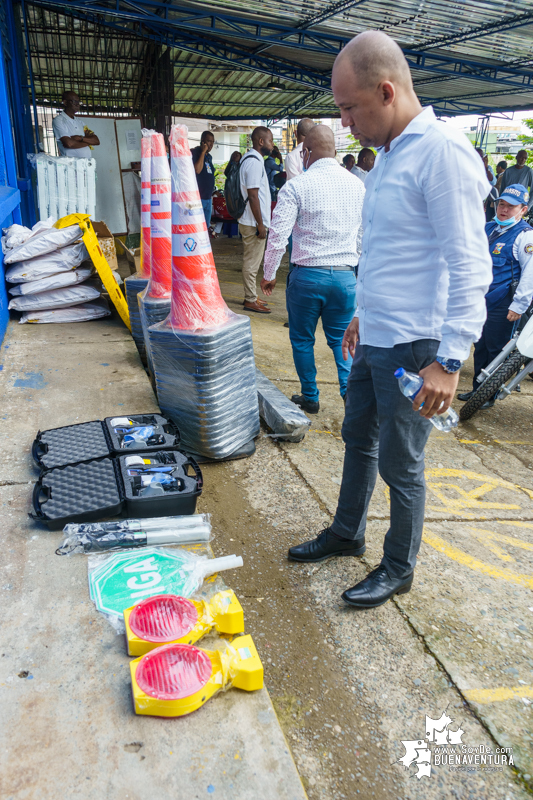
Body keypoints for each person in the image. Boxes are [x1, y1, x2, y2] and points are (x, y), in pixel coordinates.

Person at [287, 31, 492, 609]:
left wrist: (450, 361)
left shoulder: (443, 154)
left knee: (403, 463)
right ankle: (347, 533)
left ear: (385, 90)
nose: (344, 121)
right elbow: (387, 251)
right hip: (377, 333)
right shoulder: (393, 155)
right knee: (358, 438)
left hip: (417, 347)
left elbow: (469, 264)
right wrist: (360, 314)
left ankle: (398, 565)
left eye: (350, 107)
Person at [261, 125, 365, 413]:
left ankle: (311, 397)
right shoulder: (357, 185)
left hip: (307, 278)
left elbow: (278, 235)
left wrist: (269, 274)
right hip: (345, 277)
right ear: (335, 151)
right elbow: (362, 236)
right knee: (343, 340)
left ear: (306, 152)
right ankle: (350, 396)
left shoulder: (296, 186)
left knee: (303, 339)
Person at [458, 184, 533, 408]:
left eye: (511, 206)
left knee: (496, 347)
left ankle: (487, 395)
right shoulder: (489, 228)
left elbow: (530, 272)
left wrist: (519, 305)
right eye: (502, 204)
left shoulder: (525, 236)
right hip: (481, 300)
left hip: (504, 303)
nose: (504, 209)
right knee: (479, 345)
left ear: (523, 210)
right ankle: (476, 389)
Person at [238, 126, 274, 314]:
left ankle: (251, 295)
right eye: (270, 140)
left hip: (251, 220)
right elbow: (253, 195)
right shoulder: (254, 162)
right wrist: (260, 224)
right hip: (252, 221)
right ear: (261, 141)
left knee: (253, 261)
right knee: (251, 263)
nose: (272, 144)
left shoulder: (252, 159)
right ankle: (250, 299)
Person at [52, 91, 100, 158]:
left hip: (86, 164)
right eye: (74, 101)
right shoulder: (59, 120)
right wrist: (88, 142)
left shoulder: (80, 122)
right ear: (65, 103)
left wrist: (80, 138)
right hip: (71, 164)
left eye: (78, 102)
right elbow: (69, 144)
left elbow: (96, 141)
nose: (78, 104)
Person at [191, 131, 216, 229]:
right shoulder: (195, 152)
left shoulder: (209, 157)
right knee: (198, 228)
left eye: (213, 142)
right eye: (209, 141)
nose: (211, 144)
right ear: (202, 141)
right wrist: (202, 152)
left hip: (208, 197)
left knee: (205, 228)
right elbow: (197, 169)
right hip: (198, 197)